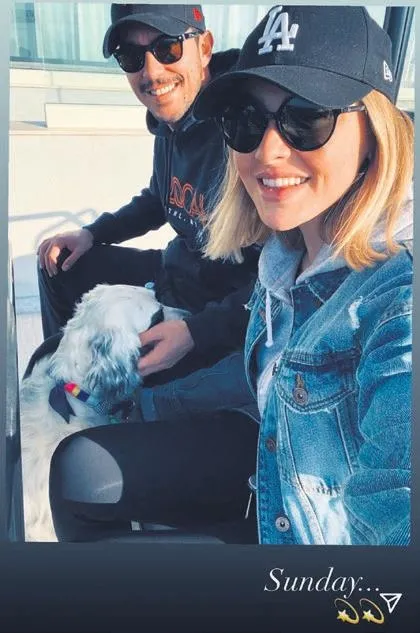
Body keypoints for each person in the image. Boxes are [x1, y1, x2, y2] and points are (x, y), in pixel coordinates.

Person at [38, 4, 261, 544]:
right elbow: (161, 199)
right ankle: (80, 378)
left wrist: (196, 331)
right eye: (131, 56)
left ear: (204, 47)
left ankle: (118, 418)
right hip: (174, 275)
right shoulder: (172, 121)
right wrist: (93, 233)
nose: (152, 71)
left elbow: (277, 284)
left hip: (217, 317)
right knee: (61, 263)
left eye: (167, 48)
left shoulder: (244, 131)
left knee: (89, 463)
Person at [193, 5, 413, 545]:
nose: (268, 151)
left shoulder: (398, 303)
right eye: (245, 120)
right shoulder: (287, 254)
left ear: (376, 131)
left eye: (308, 116)